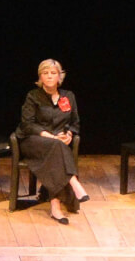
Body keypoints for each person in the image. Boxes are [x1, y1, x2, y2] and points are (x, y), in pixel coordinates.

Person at [17, 59, 90, 225]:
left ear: (59, 76)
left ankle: (55, 207)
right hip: (33, 141)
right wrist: (49, 136)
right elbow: (27, 124)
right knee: (57, 146)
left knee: (56, 152)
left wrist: (69, 134)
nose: (49, 76)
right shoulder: (33, 96)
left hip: (57, 145)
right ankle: (73, 181)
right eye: (45, 73)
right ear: (40, 77)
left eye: (53, 73)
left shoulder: (68, 96)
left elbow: (75, 122)